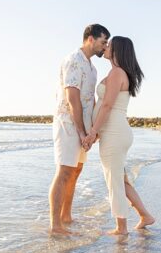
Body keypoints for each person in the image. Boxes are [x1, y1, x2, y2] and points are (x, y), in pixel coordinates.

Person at [85, 36, 155, 235]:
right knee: (121, 180)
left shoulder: (117, 73)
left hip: (114, 133)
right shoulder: (117, 72)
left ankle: (121, 227)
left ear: (117, 50)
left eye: (109, 45)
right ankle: (145, 216)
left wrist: (93, 132)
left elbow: (107, 106)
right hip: (116, 131)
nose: (106, 47)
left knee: (113, 180)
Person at [50, 24, 109, 235]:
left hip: (84, 126)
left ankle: (67, 216)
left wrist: (92, 130)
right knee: (64, 170)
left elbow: (90, 99)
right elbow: (72, 98)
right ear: (90, 39)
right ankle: (55, 225)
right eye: (103, 42)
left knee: (76, 171)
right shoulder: (73, 60)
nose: (105, 47)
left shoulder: (92, 68)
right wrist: (82, 131)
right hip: (68, 123)